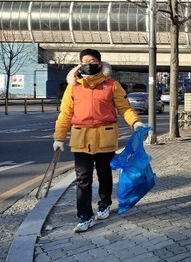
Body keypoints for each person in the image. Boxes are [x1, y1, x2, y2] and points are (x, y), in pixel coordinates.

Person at [53, 49, 144, 233]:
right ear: (79, 64)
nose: (88, 64)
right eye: (84, 61)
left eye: (92, 60)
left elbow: (124, 108)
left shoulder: (111, 85)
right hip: (81, 138)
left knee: (105, 175)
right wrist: (59, 137)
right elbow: (65, 114)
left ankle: (104, 204)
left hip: (105, 138)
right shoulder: (73, 87)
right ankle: (84, 216)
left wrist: (136, 123)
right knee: (83, 179)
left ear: (100, 64)